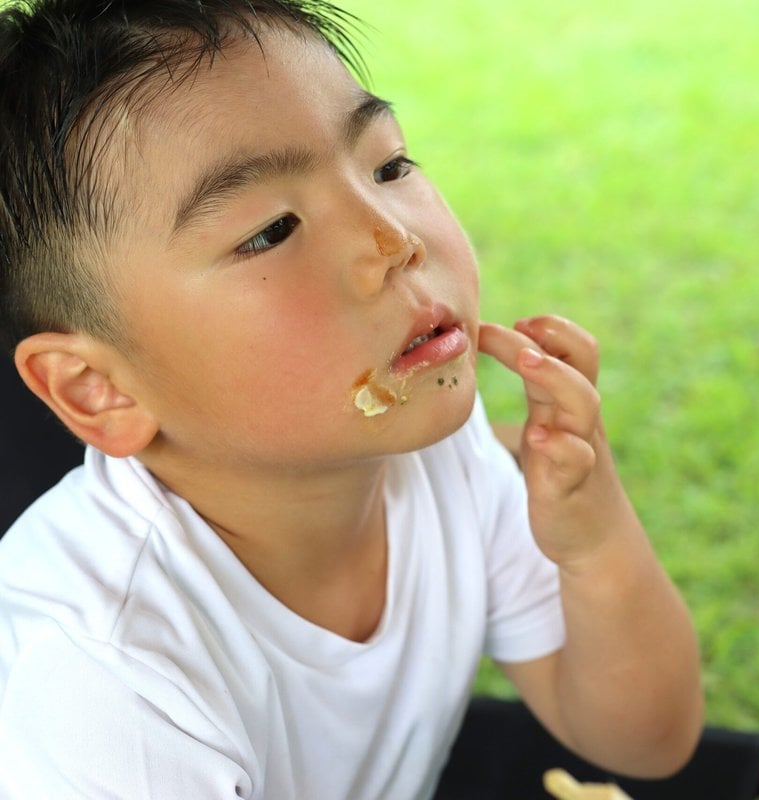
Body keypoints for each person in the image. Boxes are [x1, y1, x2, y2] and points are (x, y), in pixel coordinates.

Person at [0, 0, 704, 796]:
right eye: (271, 230)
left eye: (389, 167)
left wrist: (591, 539)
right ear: (98, 390)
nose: (392, 241)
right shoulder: (105, 679)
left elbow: (648, 743)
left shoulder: (443, 453)